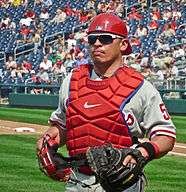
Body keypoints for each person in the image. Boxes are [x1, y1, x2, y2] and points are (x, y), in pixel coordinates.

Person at [36, 13, 176, 192]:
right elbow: (63, 126)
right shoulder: (72, 81)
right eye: (92, 38)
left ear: (123, 44)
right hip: (77, 181)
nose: (97, 43)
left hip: (121, 183)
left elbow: (166, 136)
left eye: (105, 38)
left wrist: (142, 153)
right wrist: (48, 142)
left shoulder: (140, 87)